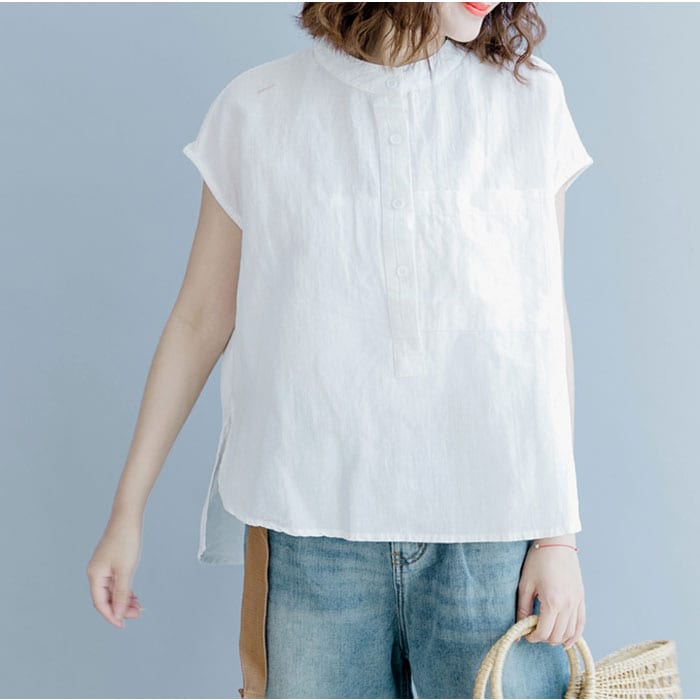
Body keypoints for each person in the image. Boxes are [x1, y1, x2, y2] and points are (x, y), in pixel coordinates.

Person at [87, 2, 595, 698]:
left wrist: (557, 536)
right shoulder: (258, 108)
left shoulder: (529, 101)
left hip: (494, 534)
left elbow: (544, 326)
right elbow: (199, 320)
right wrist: (126, 514)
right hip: (312, 535)